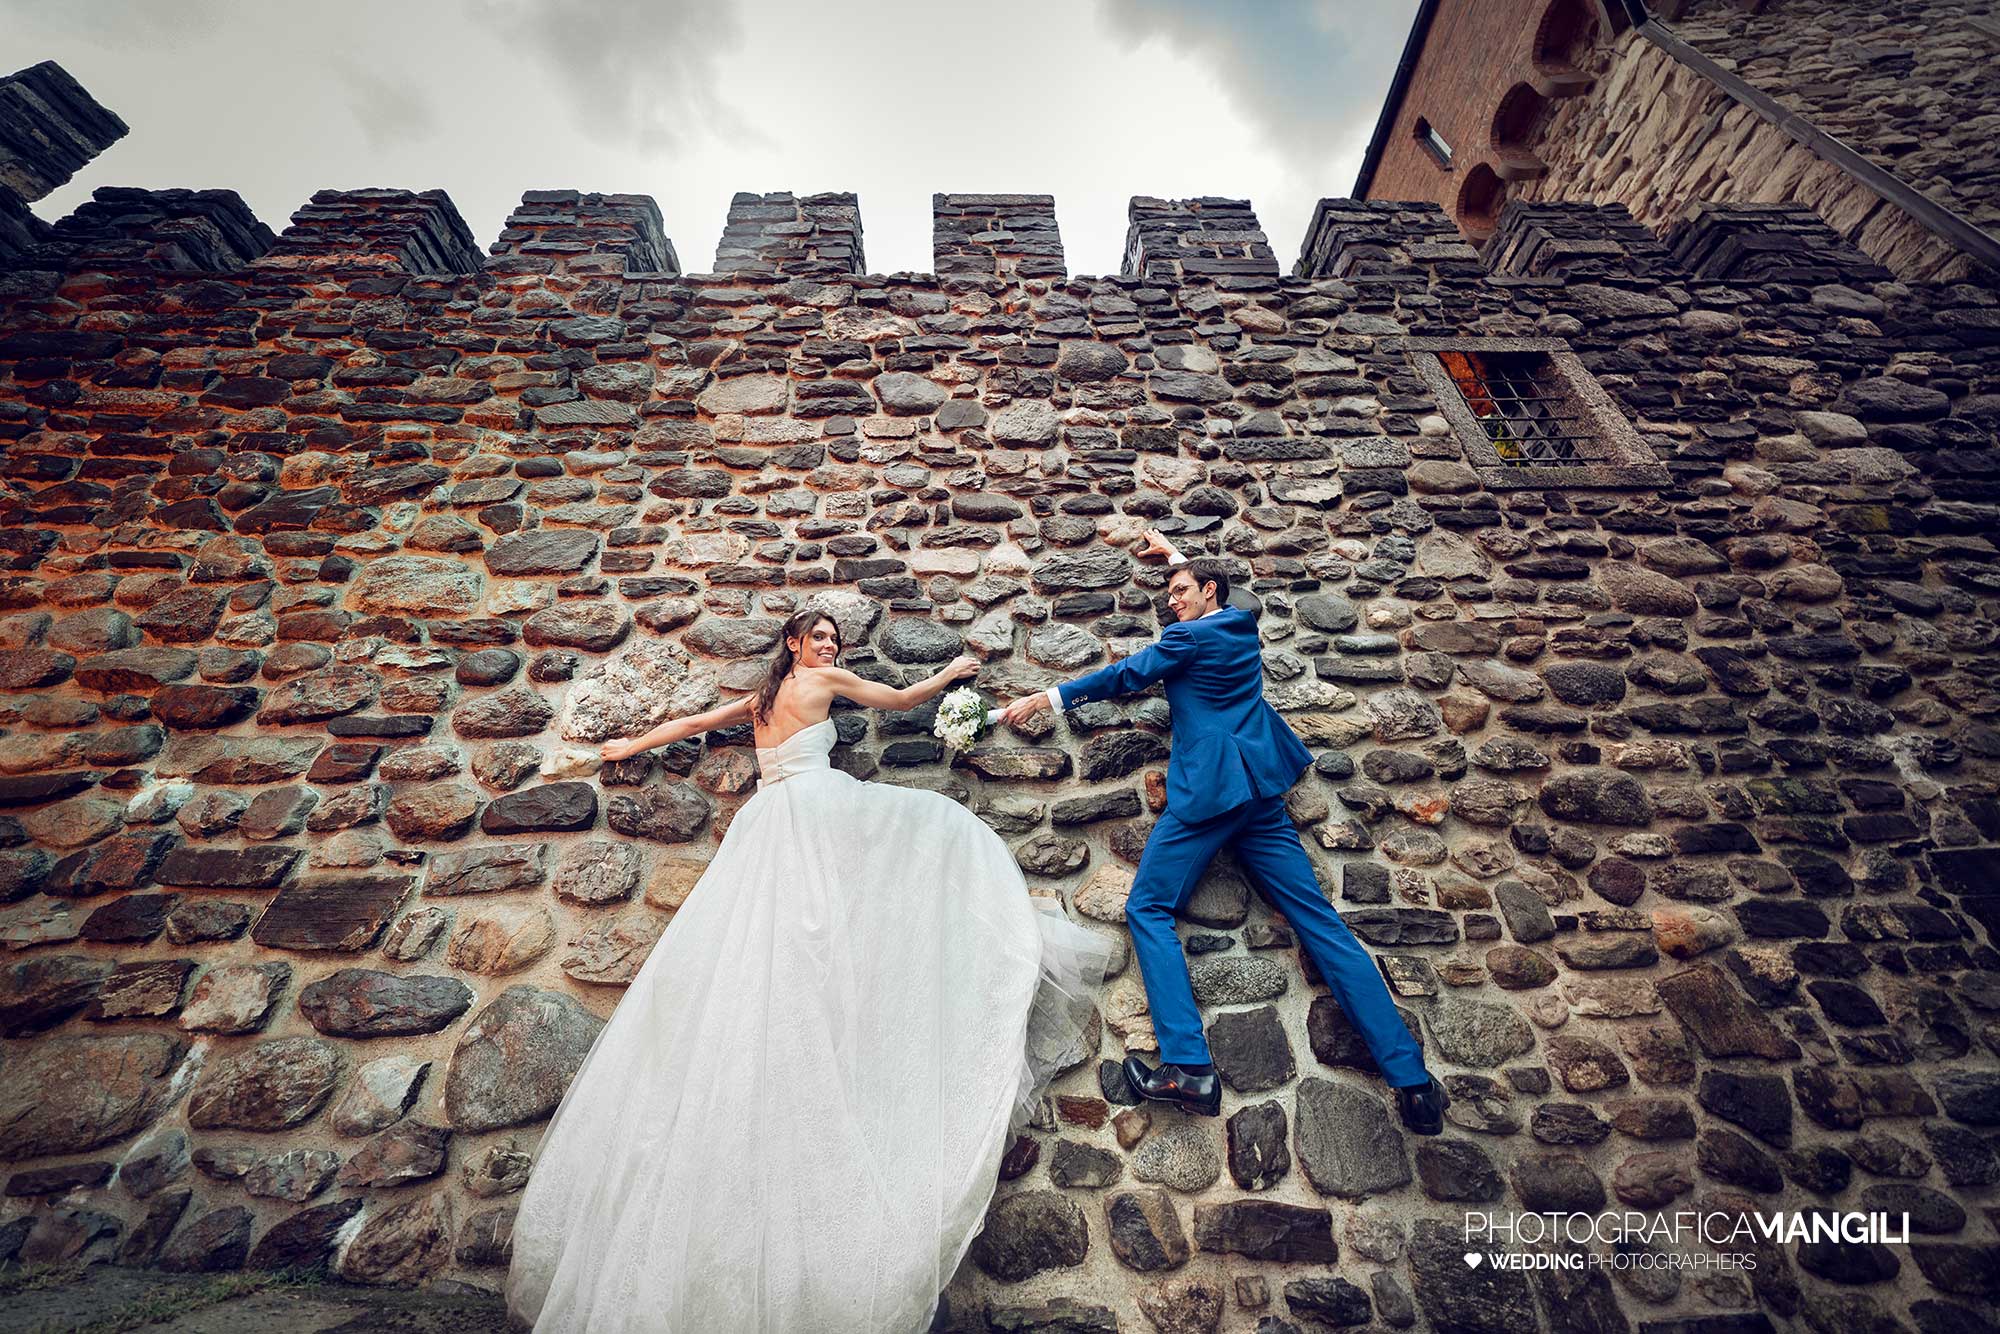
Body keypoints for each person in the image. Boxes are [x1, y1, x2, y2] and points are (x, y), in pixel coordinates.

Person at [505, 608, 1115, 1334]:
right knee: (925, 842)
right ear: (795, 644)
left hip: (768, 825)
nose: (829, 647)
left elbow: (691, 725)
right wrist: (949, 675)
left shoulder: (761, 702)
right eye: (819, 637)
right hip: (814, 817)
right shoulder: (817, 681)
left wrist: (621, 747)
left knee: (773, 944)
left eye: (833, 639)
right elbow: (893, 702)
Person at [1000, 529, 1448, 1134]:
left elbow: (1127, 675)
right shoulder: (1238, 625)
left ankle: (1188, 1066)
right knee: (1320, 922)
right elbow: (1210, 599)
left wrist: (1049, 697)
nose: (1170, 601)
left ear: (1209, 591)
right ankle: (1414, 1081)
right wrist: (1176, 555)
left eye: (1179, 590)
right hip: (1261, 793)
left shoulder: (1185, 635)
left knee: (1148, 908)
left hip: (1209, 794)